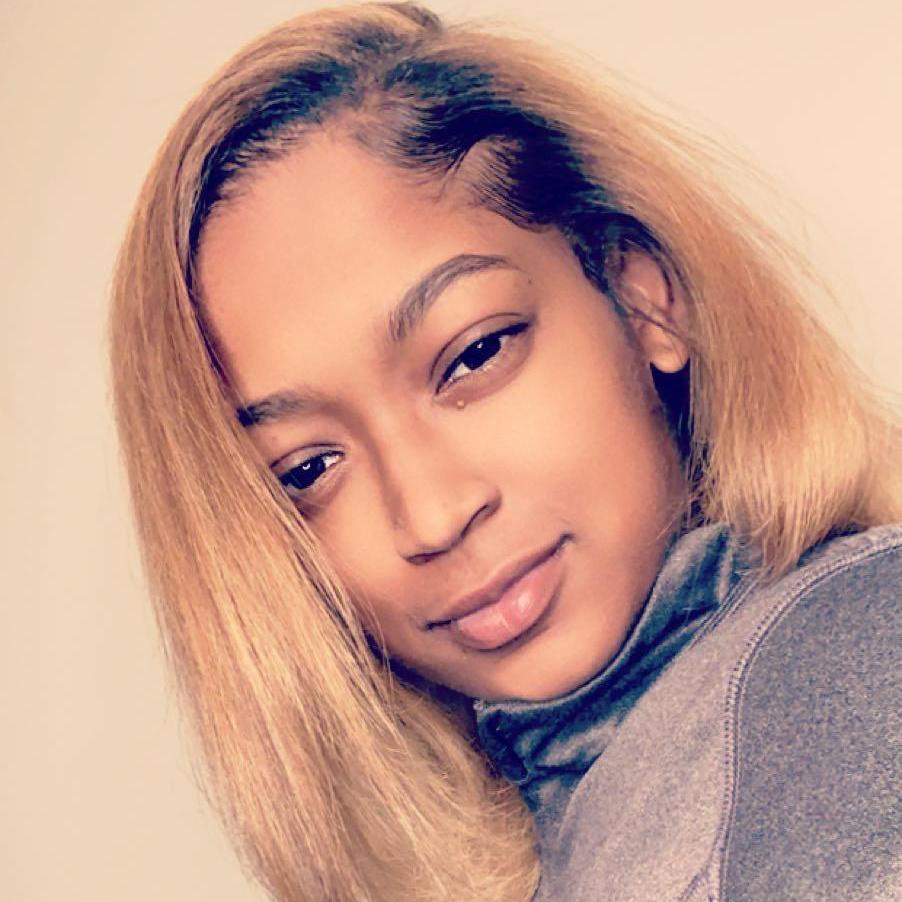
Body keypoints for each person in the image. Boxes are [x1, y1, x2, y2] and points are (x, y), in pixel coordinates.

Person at [109, 2, 901, 899]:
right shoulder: (554, 835)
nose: (430, 515)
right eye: (308, 470)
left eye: (476, 354)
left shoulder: (859, 663)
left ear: (641, 298)